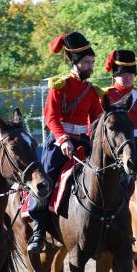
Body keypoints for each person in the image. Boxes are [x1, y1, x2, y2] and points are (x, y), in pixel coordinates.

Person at [26, 32, 103, 254]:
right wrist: (62, 140)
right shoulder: (59, 86)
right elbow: (50, 118)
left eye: (92, 63)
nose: (91, 66)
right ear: (76, 63)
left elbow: (97, 120)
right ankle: (39, 228)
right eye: (87, 63)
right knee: (44, 181)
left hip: (83, 143)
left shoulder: (92, 91)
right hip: (59, 143)